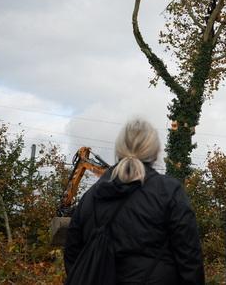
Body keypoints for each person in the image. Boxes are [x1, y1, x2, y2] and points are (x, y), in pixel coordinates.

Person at [64, 118, 205, 284]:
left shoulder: (90, 197)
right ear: (157, 151)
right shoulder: (169, 192)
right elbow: (190, 261)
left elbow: (73, 256)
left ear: (119, 149)